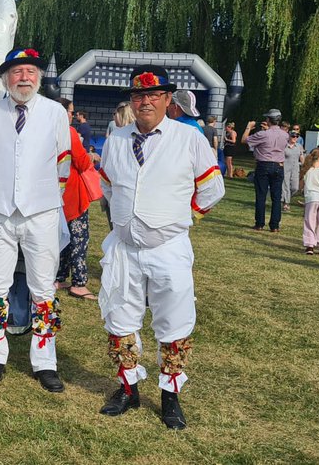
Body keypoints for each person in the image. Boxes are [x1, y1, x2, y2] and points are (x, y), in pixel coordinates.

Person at [96, 65, 224, 430]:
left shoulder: (189, 138)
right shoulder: (117, 138)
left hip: (168, 247)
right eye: (139, 96)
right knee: (119, 316)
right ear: (132, 101)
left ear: (168, 100)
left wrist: (184, 219)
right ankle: (128, 388)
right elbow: (108, 185)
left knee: (173, 320)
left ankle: (170, 396)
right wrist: (124, 218)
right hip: (124, 247)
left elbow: (212, 190)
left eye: (154, 95)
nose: (145, 101)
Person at [0, 48, 69, 392]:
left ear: (39, 77)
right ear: (6, 79)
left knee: (43, 288)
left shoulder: (54, 112)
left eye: (30, 71)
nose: (24, 78)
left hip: (41, 212)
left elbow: (63, 161)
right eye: (17, 72)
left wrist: (46, 198)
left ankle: (45, 361)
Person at [55, 97, 96, 302]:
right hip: (72, 191)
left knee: (60, 238)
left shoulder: (44, 129)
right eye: (71, 111)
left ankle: (59, 276)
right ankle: (79, 282)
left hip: (54, 192)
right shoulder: (69, 132)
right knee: (78, 239)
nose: (73, 115)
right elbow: (81, 161)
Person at [242, 109, 287, 232]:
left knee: (261, 195)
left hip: (264, 165)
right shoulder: (285, 135)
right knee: (276, 197)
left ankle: (260, 223)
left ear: (268, 120)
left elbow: (244, 140)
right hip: (279, 165)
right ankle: (275, 225)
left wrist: (248, 127)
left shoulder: (263, 134)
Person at [281, 132, 304, 211]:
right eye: (293, 136)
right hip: (285, 168)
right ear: (289, 136)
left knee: (295, 187)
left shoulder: (299, 146)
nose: (295, 137)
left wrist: (304, 165)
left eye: (297, 136)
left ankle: (285, 199)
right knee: (285, 186)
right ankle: (286, 204)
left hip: (295, 169)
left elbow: (301, 156)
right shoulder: (284, 146)